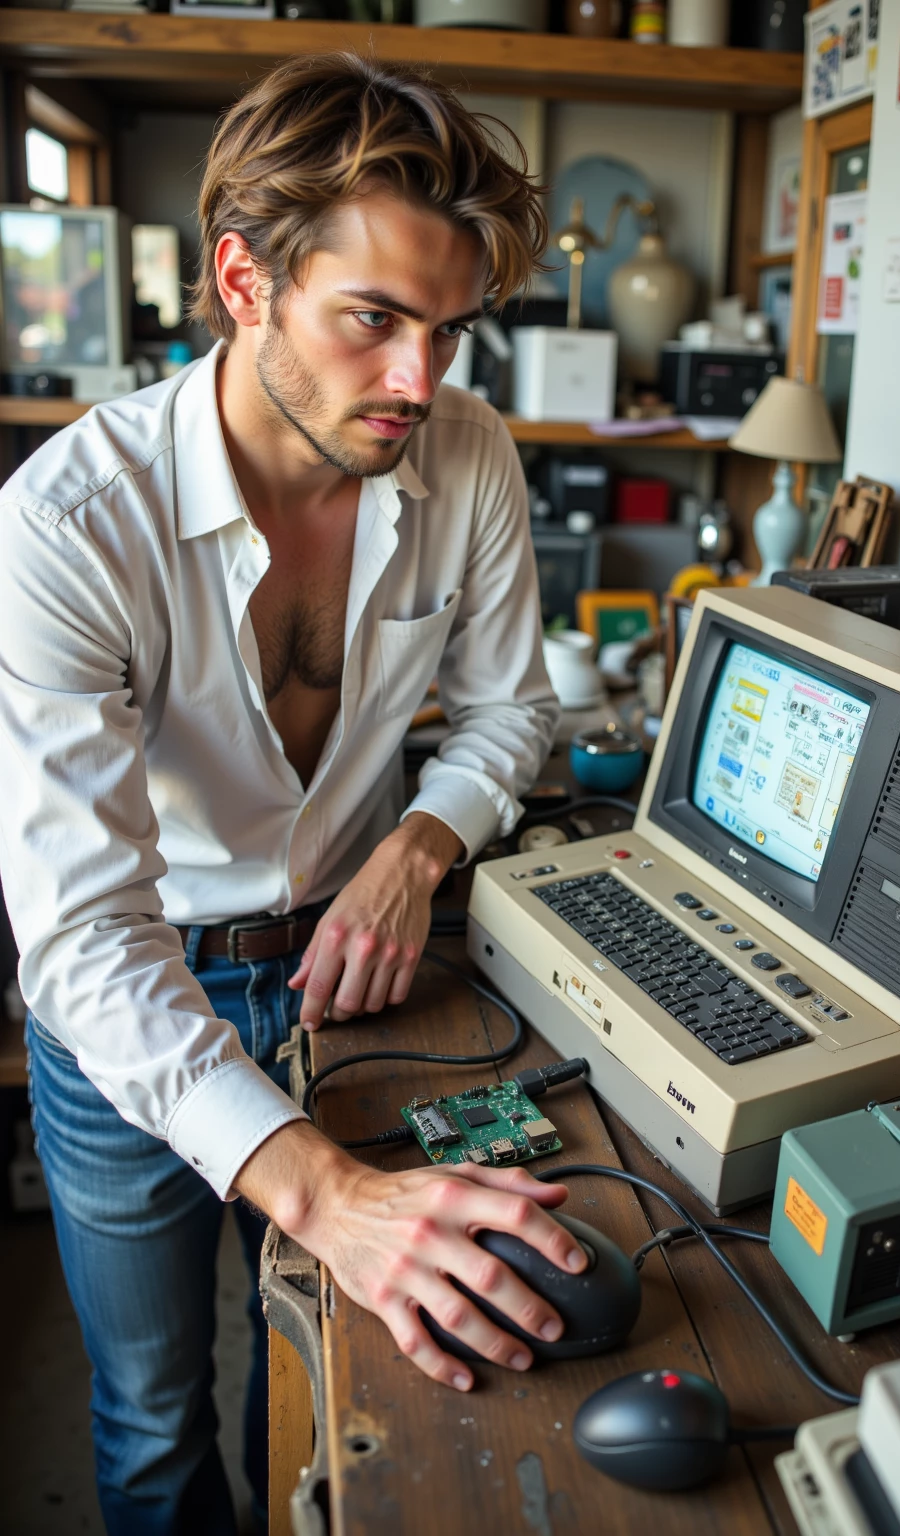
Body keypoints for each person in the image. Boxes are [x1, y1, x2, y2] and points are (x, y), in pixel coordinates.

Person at [0, 53, 585, 1535]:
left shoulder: (467, 455)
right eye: (374, 320)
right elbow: (77, 931)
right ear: (245, 281)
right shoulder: (70, 526)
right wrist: (317, 1191)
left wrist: (416, 844)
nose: (418, 383)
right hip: (140, 992)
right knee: (149, 1417)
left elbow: (514, 710)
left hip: (356, 974)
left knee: (324, 1387)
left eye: (449, 332)